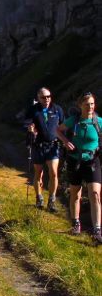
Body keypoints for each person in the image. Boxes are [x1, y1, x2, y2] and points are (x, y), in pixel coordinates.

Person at [57, 92, 102, 243]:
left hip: (92, 161)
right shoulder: (74, 120)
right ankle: (76, 223)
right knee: (75, 193)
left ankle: (97, 230)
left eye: (92, 104)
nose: (90, 106)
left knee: (95, 194)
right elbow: (58, 130)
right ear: (80, 105)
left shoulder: (98, 121)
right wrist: (65, 141)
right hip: (75, 160)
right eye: (87, 104)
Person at [25, 87, 64, 212]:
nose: (46, 99)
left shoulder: (57, 109)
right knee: (38, 173)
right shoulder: (33, 110)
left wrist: (65, 140)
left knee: (53, 173)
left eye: (48, 96)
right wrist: (30, 129)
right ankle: (39, 198)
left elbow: (63, 125)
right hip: (38, 146)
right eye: (43, 97)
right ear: (38, 98)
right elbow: (26, 124)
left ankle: (52, 201)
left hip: (53, 146)